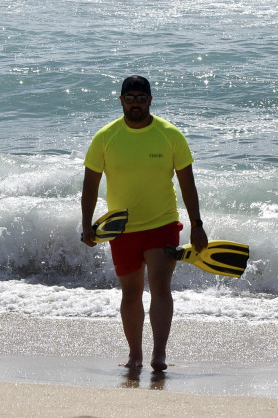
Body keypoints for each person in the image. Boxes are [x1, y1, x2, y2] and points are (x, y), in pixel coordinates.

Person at [81, 75, 208, 372]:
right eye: (130, 97)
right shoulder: (105, 137)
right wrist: (87, 224)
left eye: (141, 97)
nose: (135, 103)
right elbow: (89, 185)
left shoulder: (170, 134)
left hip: (162, 224)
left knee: (161, 286)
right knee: (131, 292)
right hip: (121, 229)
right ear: (121, 100)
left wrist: (196, 223)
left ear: (150, 100)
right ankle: (135, 354)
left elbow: (188, 183)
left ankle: (159, 354)